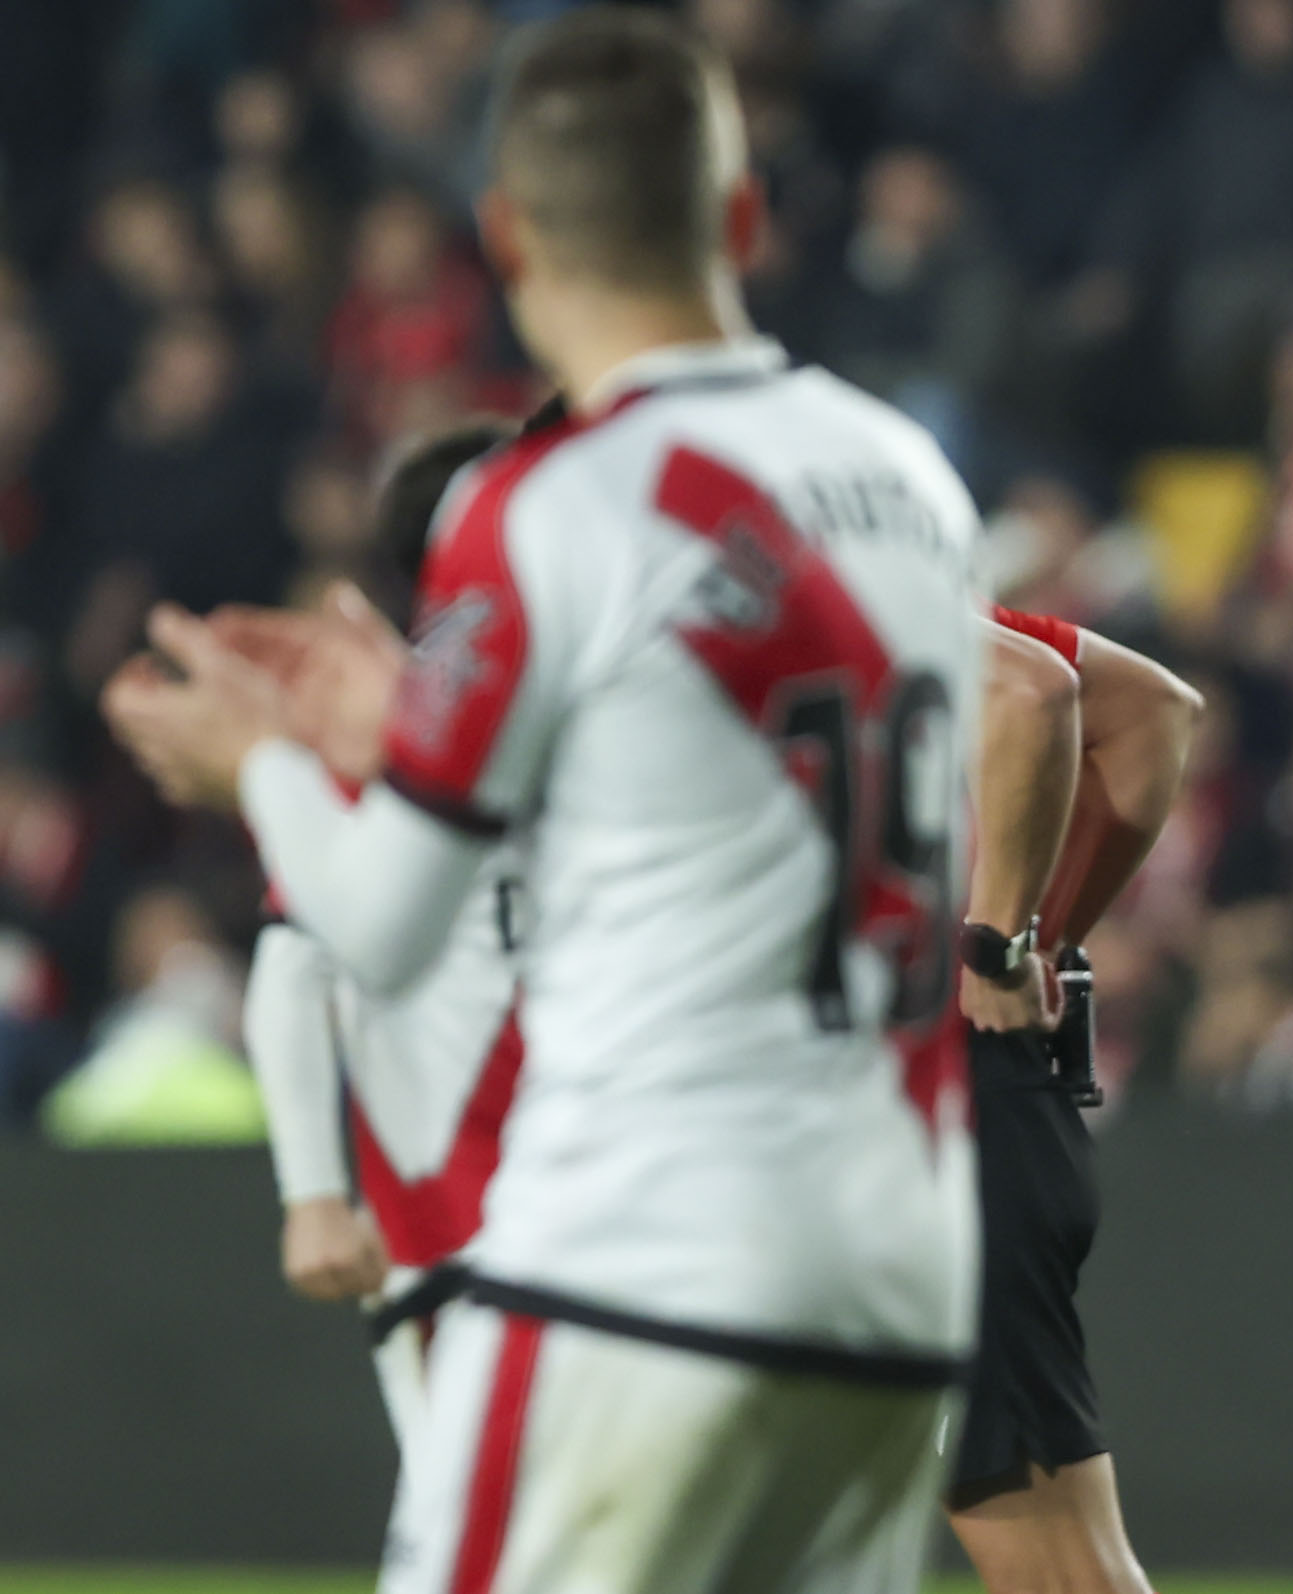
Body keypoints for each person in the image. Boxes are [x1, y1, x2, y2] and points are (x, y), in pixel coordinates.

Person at [102, 11, 982, 1592]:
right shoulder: (906, 476)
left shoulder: (550, 503)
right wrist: (399, 710)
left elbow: (375, 922)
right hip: (900, 1265)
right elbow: (700, 764)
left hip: (643, 1257)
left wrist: (262, 765)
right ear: (740, 216)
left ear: (504, 236)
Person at [239, 420, 526, 1464]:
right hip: (458, 1232)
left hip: (602, 1218)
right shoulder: (390, 739)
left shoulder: (581, 725)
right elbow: (292, 963)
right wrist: (315, 1196)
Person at [950, 604, 1199, 1594]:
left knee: (1057, 1566)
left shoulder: (785, 596)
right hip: (977, 1091)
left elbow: (1032, 691)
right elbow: (1152, 716)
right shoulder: (883, 574)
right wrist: (1034, 945)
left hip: (907, 1106)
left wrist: (999, 945)